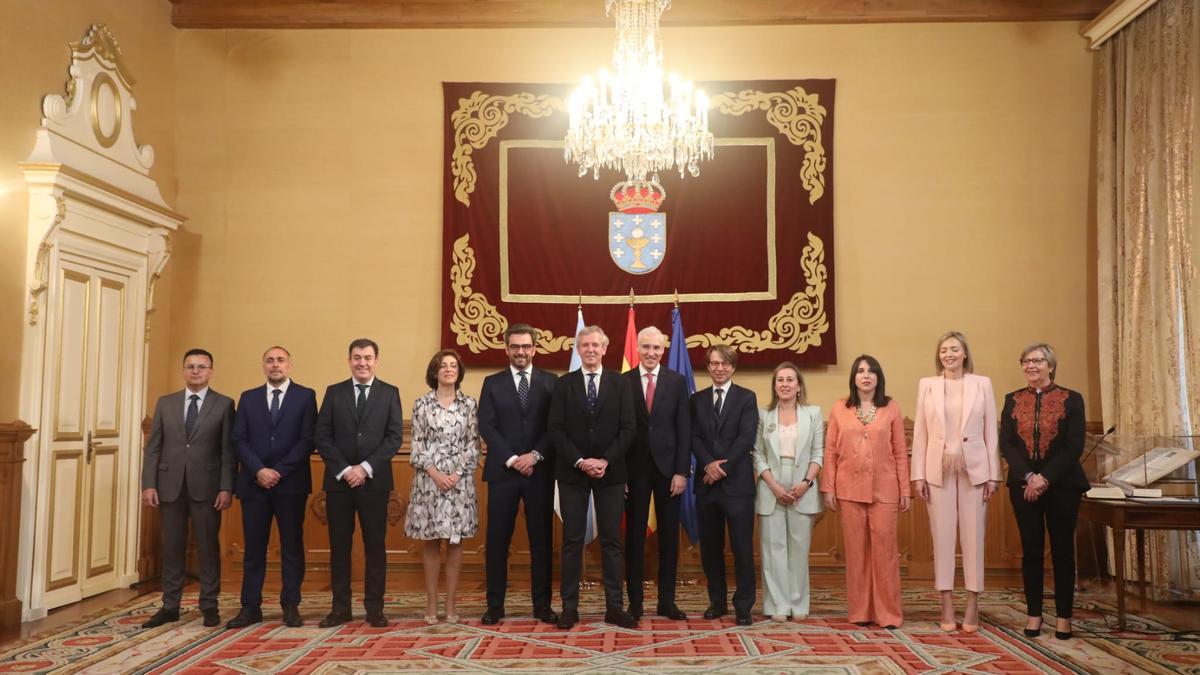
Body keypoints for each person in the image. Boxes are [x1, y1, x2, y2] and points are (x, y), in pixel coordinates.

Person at [911, 331, 1000, 633]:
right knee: (943, 537)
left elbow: (991, 432)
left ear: (965, 354)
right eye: (944, 350)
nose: (949, 354)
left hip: (975, 470)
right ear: (939, 356)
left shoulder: (982, 384)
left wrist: (993, 474)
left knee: (974, 537)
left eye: (955, 349)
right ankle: (946, 604)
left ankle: (973, 604)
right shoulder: (928, 385)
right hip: (938, 470)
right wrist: (918, 474)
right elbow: (921, 433)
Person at [548, 325, 637, 629]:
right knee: (572, 542)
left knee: (612, 542)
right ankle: (569, 608)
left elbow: (629, 428)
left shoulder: (621, 383)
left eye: (595, 345)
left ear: (604, 348)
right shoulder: (564, 384)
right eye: (584, 345)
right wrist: (580, 461)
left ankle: (615, 607)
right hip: (573, 473)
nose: (590, 349)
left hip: (611, 473)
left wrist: (604, 460)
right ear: (578, 349)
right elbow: (555, 430)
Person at [140, 349, 236, 628]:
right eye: (191, 367)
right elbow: (153, 447)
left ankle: (209, 605)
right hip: (169, 487)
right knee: (172, 547)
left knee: (207, 547)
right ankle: (170, 606)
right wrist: (149, 484)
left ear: (211, 371)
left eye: (202, 367)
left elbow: (228, 451)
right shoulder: (166, 403)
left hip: (207, 488)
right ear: (183, 370)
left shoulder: (224, 404)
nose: (196, 371)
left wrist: (226, 487)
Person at [1000, 342, 1087, 640]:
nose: (1031, 366)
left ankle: (1064, 616)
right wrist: (1028, 475)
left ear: (1050, 365)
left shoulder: (1072, 399)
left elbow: (1074, 445)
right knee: (1032, 551)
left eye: (1037, 360)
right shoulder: (1012, 400)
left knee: (1063, 551)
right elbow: (1007, 444)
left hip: (1063, 485)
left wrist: (1044, 478)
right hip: (1023, 486)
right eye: (1026, 361)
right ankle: (1034, 614)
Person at [315, 338, 404, 628]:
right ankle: (340, 608)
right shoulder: (334, 392)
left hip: (374, 482)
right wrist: (344, 469)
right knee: (339, 546)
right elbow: (323, 436)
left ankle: (374, 609)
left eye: (367, 357)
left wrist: (364, 469)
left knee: (375, 547)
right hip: (339, 483)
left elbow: (394, 438)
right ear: (349, 360)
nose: (362, 362)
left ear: (376, 360)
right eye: (357, 357)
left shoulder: (390, 393)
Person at [228, 346, 317, 629]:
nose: (275, 365)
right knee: (254, 547)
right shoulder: (248, 398)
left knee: (292, 546)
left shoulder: (306, 396)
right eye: (269, 361)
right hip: (254, 485)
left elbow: (307, 440)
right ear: (263, 366)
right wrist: (259, 470)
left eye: (280, 360)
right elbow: (239, 439)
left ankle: (290, 604)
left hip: (290, 484)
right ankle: (250, 606)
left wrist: (278, 471)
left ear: (290, 365)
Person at [821, 354, 910, 629]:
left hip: (885, 490)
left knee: (885, 553)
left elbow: (900, 452)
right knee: (857, 554)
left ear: (878, 377)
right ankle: (860, 611)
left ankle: (888, 614)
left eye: (871, 371)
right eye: (860, 371)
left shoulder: (891, 407)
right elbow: (831, 451)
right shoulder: (839, 408)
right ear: (854, 378)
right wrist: (828, 486)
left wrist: (905, 489)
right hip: (848, 490)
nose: (866, 375)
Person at [478, 324, 558, 625]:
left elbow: (556, 426)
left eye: (526, 346)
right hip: (503, 473)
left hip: (539, 473)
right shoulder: (492, 383)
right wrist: (513, 458)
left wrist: (534, 456)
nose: (521, 352)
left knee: (541, 541)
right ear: (507, 349)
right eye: (515, 347)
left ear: (534, 348)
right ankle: (495, 605)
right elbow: (487, 425)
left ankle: (542, 605)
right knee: (497, 541)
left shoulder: (551, 382)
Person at [405, 349, 480, 624]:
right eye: (443, 365)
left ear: (459, 372)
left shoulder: (470, 405)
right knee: (432, 540)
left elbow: (473, 445)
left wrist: (457, 473)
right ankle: (431, 602)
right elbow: (417, 445)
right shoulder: (421, 404)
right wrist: (436, 474)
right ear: (434, 371)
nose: (449, 369)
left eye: (453, 365)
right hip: (429, 482)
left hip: (459, 484)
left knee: (456, 541)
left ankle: (451, 602)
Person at [622, 326, 691, 621]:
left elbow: (684, 429)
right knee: (634, 539)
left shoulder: (677, 382)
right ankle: (635, 603)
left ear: (664, 350)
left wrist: (681, 471)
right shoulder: (622, 381)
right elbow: (618, 429)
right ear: (638, 348)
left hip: (668, 471)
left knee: (668, 541)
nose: (651, 353)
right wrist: (620, 473)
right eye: (646, 347)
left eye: (657, 348)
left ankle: (667, 601)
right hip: (633, 471)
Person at [690, 344, 758, 626]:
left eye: (725, 363)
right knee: (710, 549)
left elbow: (746, 439)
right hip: (707, 487)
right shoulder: (697, 399)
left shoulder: (747, 398)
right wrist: (708, 464)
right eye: (714, 363)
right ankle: (716, 602)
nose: (719, 368)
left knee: (742, 548)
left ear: (733, 366)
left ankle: (743, 606)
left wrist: (720, 468)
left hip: (737, 486)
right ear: (708, 367)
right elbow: (693, 437)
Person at [751, 361, 823, 622]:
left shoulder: (813, 414)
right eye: (779, 380)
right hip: (771, 483)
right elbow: (757, 454)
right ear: (774, 386)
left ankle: (798, 603)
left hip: (803, 484)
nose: (784, 384)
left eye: (789, 380)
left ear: (799, 385)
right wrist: (772, 484)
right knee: (773, 549)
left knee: (798, 548)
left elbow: (818, 453)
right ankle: (777, 605)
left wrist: (806, 482)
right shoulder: (763, 415)